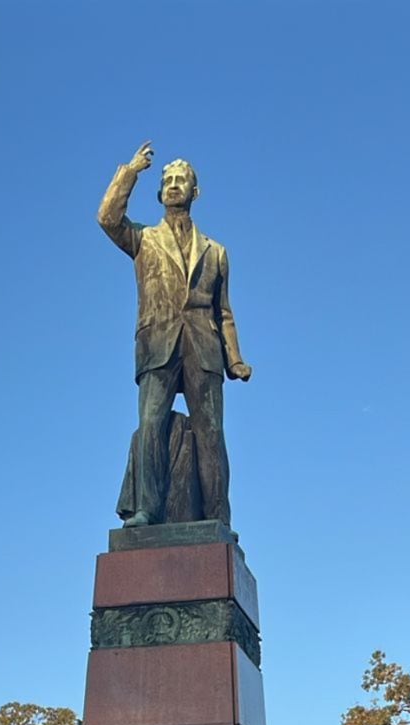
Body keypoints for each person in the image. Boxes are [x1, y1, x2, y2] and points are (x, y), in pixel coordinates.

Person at [98, 142, 251, 528]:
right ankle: (146, 509)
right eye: (167, 180)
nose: (173, 184)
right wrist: (131, 171)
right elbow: (107, 218)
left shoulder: (216, 251)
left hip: (204, 348)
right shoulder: (144, 239)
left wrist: (234, 357)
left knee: (211, 436)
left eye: (181, 179)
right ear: (159, 191)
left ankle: (218, 516)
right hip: (157, 344)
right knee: (151, 426)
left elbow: (224, 311)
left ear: (194, 192)